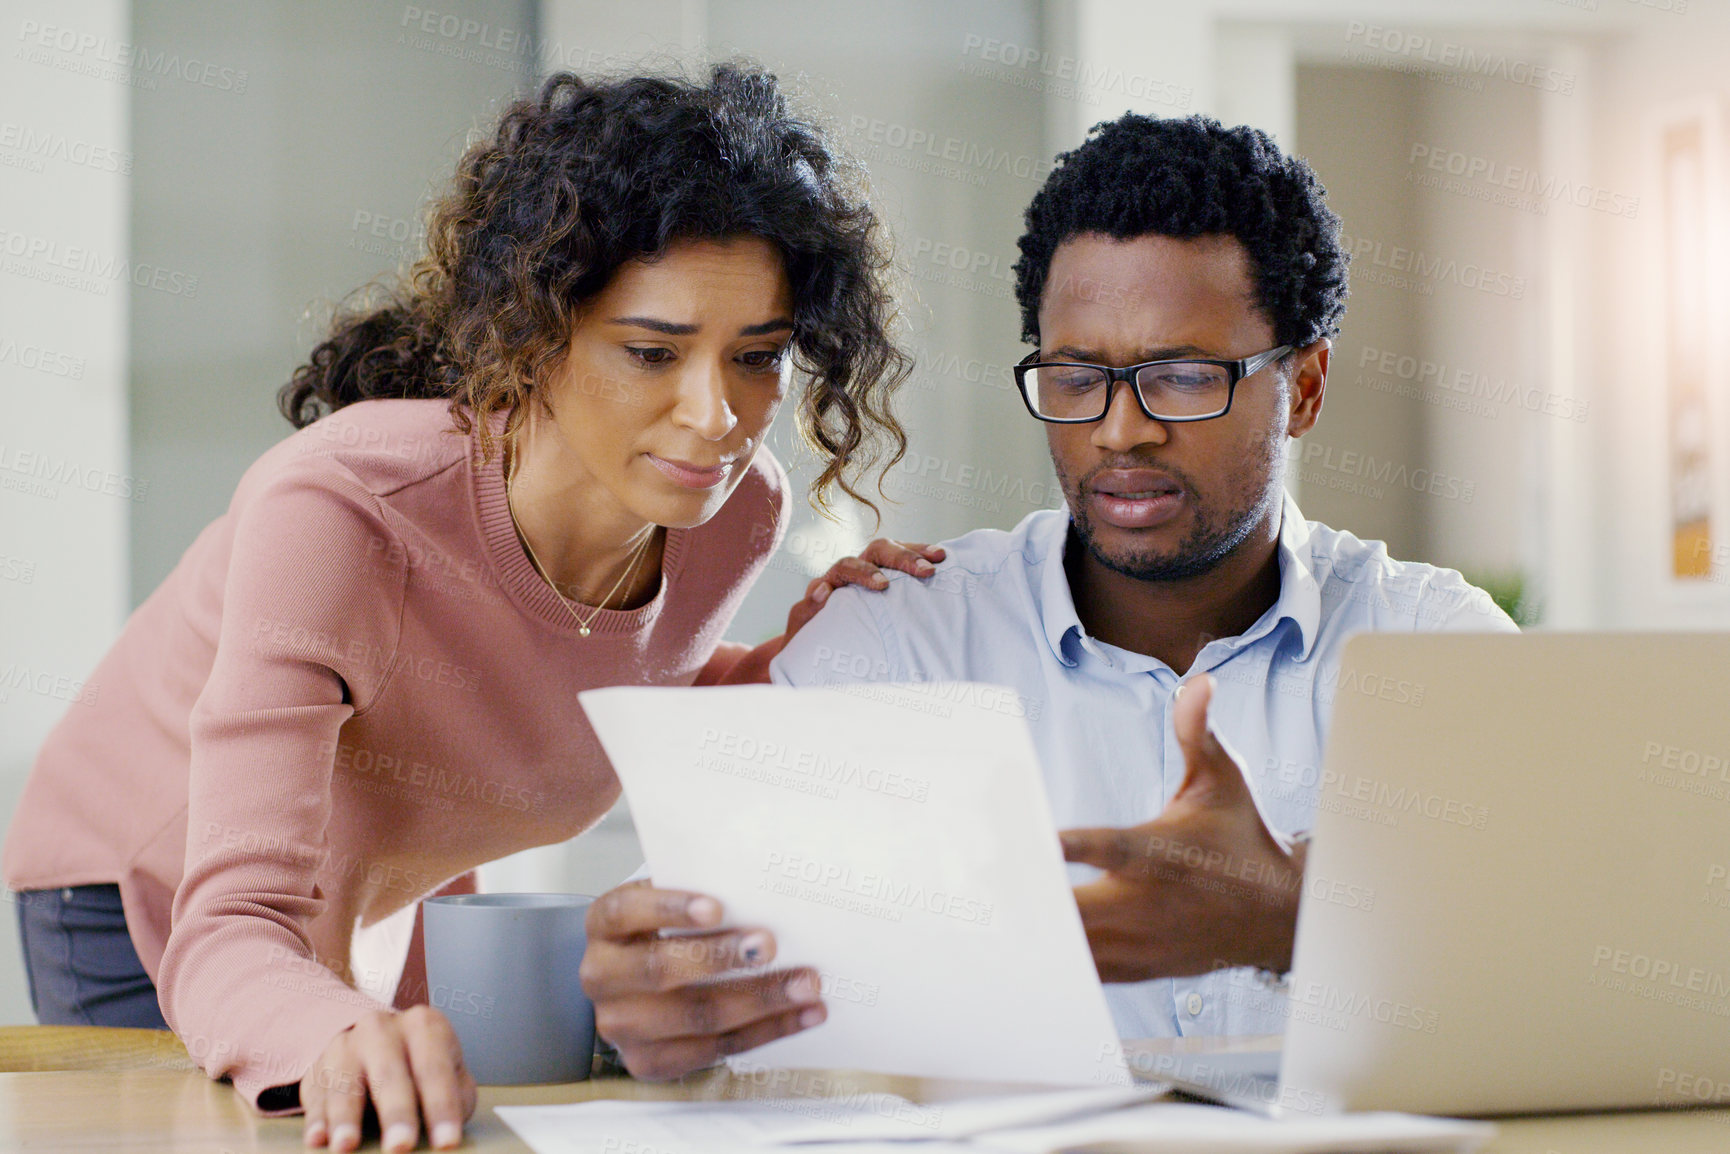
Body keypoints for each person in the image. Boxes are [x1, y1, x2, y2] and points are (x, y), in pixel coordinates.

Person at [2, 66, 942, 1152]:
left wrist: (821, 649)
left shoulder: (731, 514)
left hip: (386, 875)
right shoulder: (342, 511)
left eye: (758, 357)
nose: (716, 414)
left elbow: (615, 678)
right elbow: (232, 926)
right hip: (144, 886)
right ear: (540, 333)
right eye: (651, 350)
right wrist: (327, 1024)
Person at [577, 113, 1518, 1079]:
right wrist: (654, 994)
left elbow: (1570, 974)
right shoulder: (907, 637)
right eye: (1076, 379)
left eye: (1183, 377)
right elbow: (687, 947)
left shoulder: (1432, 650)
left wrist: (1291, 919)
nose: (1120, 432)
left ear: (1306, 386)